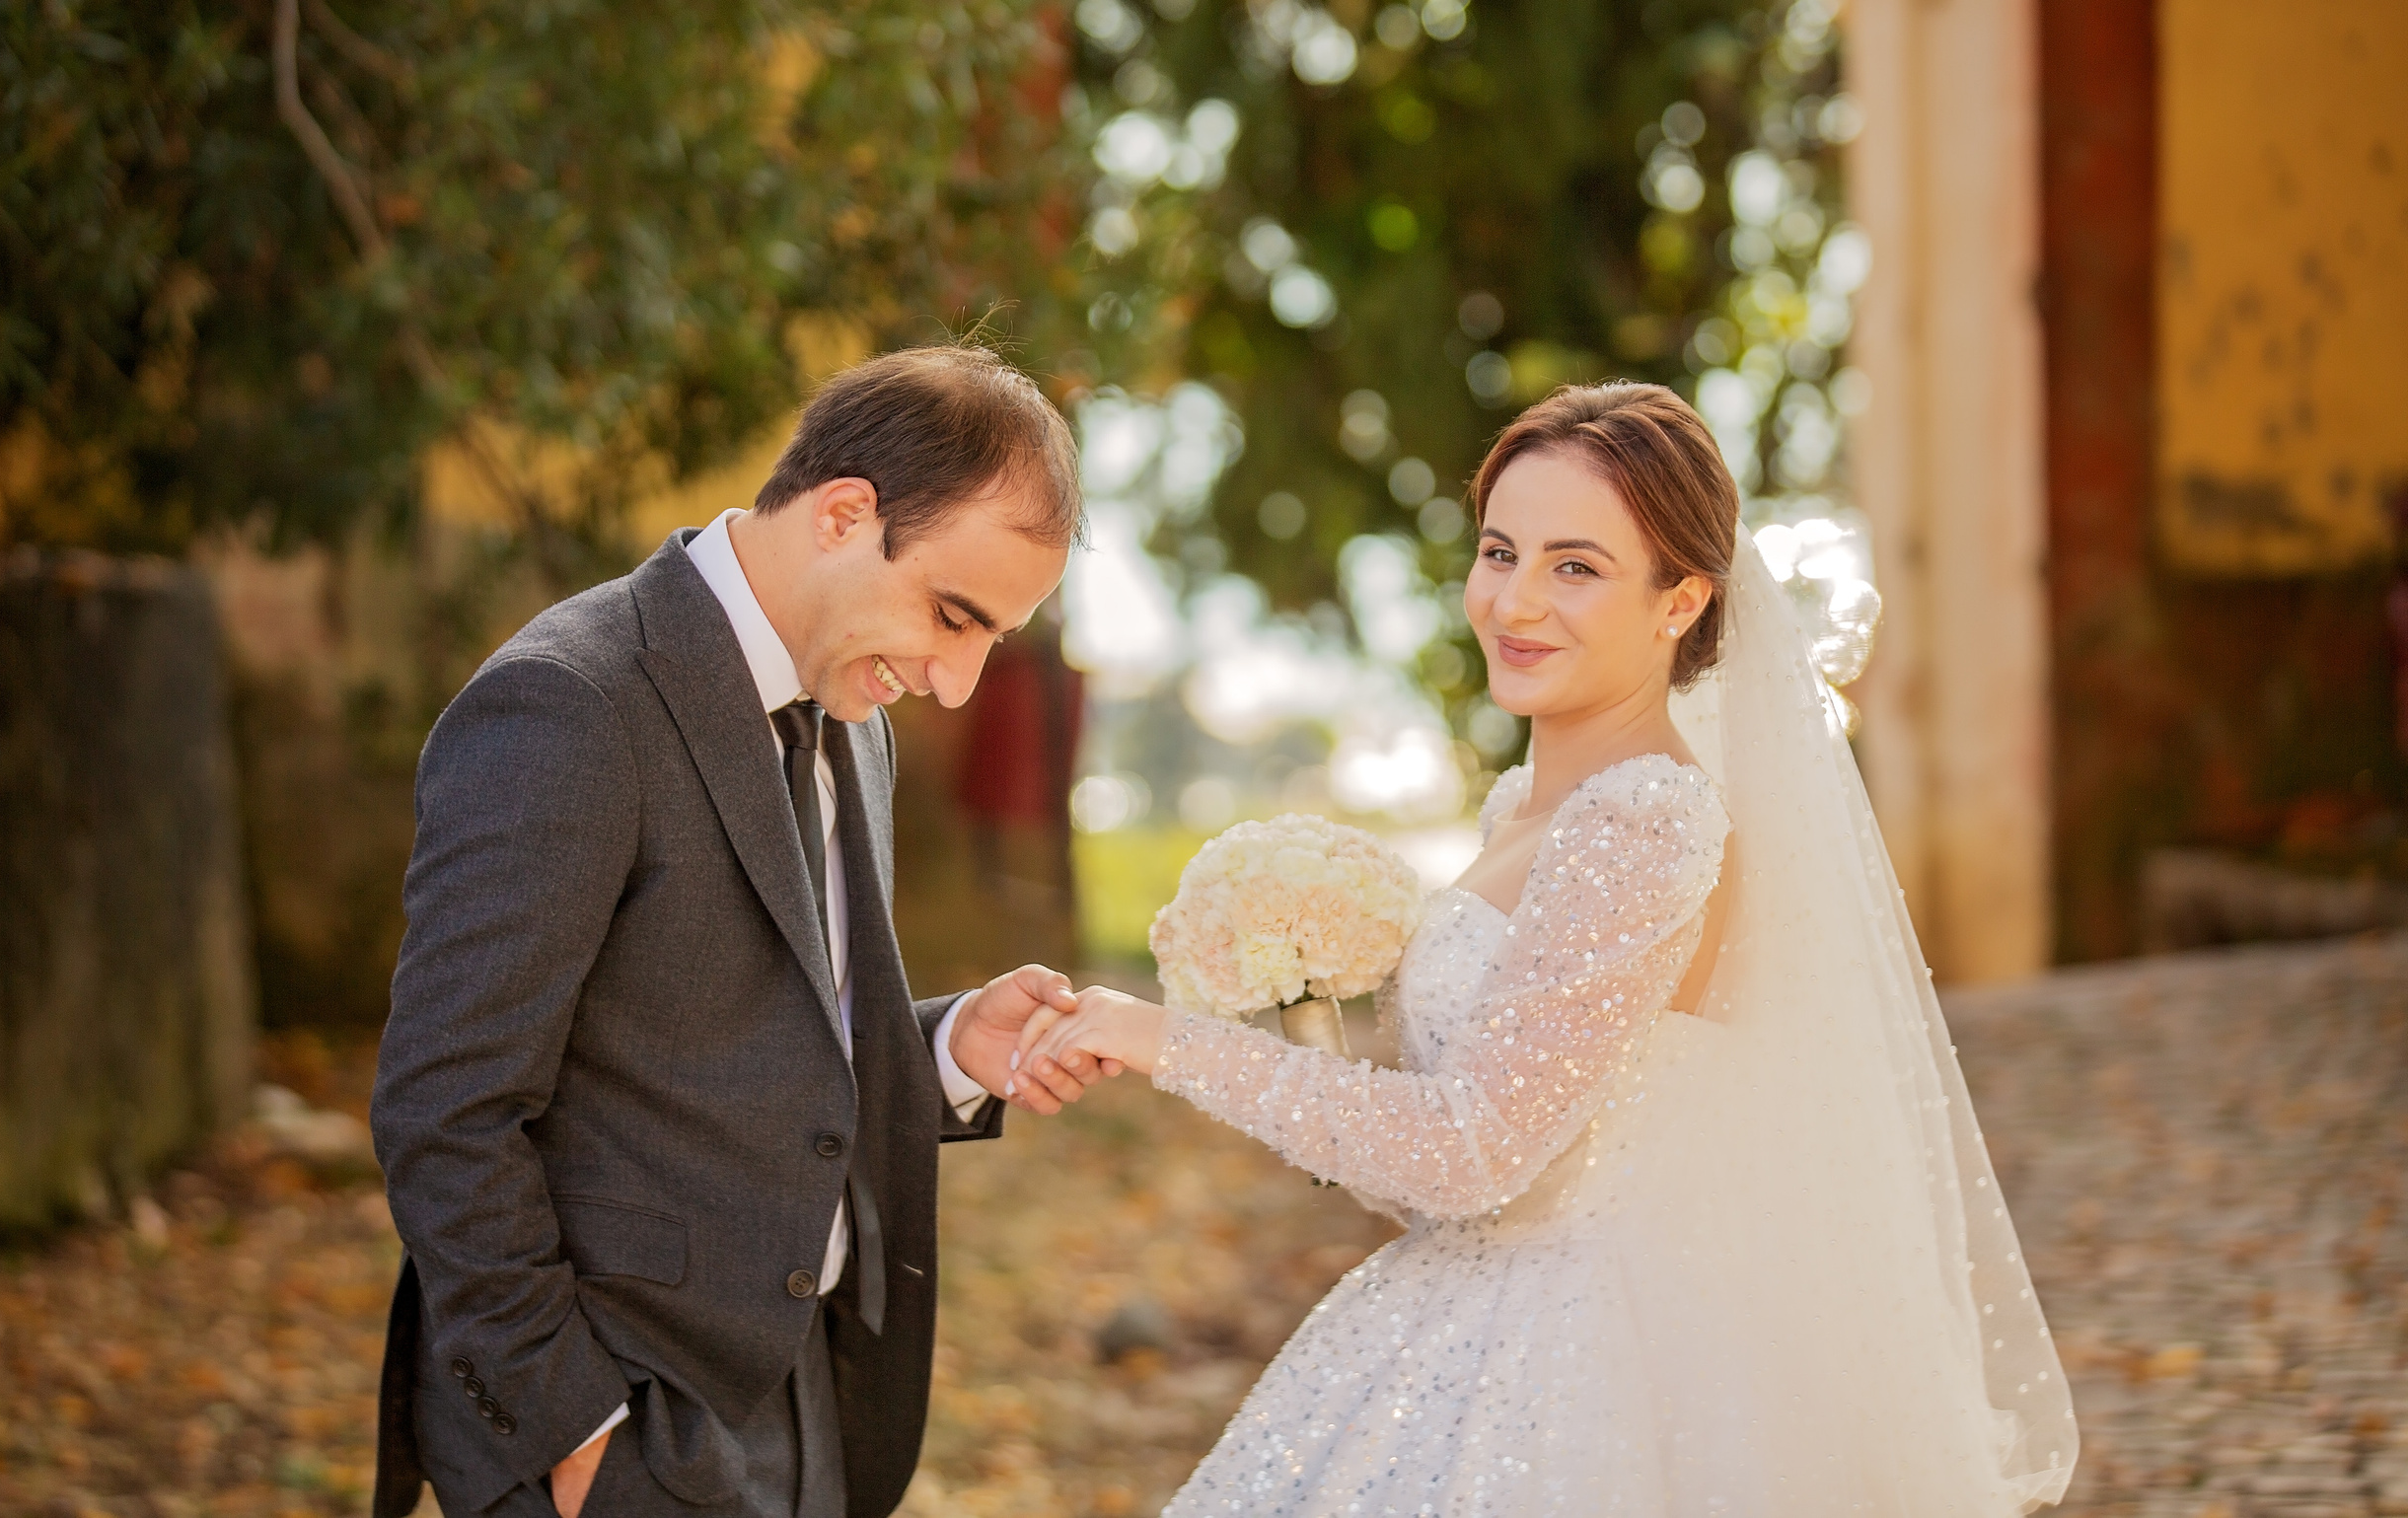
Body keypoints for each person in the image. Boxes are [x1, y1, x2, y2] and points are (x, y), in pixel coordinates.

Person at [1026, 383, 2080, 1514]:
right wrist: (1302, 1012)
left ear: (1680, 601)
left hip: (1575, 1368)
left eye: (1574, 567)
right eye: (1497, 551)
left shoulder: (1643, 824)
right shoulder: (1528, 807)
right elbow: (1464, 1177)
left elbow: (1471, 1155)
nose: (1514, 602)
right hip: (1461, 1312)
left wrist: (1163, 1040)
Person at [370, 344, 1111, 1518]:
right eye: (951, 617)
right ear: (844, 514)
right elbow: (443, 1106)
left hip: (807, 1405)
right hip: (617, 1422)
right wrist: (574, 1429)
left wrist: (944, 1047)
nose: (957, 682)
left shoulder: (851, 713)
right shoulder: (571, 704)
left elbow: (752, 1037)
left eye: (990, 641)